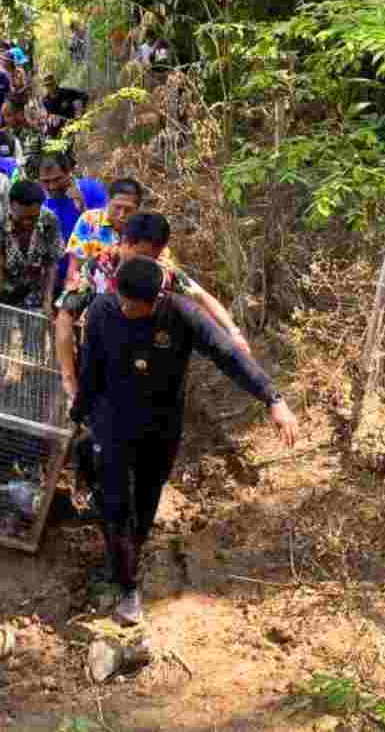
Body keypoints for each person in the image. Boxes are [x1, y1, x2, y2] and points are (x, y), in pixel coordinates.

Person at [70, 257, 299, 624]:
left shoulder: (182, 315)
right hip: (111, 421)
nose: (127, 311)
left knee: (146, 498)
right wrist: (79, 416)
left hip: (160, 426)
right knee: (114, 505)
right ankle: (127, 587)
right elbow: (91, 370)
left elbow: (228, 355)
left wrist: (273, 398)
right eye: (123, 302)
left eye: (135, 307)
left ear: (157, 299)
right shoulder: (101, 311)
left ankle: (129, 553)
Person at [57, 210, 250, 399]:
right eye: (140, 255)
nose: (147, 264)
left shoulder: (163, 271)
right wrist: (68, 378)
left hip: (146, 369)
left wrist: (233, 332)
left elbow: (201, 296)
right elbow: (65, 316)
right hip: (100, 366)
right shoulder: (97, 268)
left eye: (153, 258)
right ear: (124, 243)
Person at [0, 180, 62, 314]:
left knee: (35, 330)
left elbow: (51, 264)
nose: (27, 223)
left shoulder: (50, 221)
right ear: (11, 205)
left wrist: (47, 302)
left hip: (34, 292)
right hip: (2, 292)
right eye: (22, 217)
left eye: (33, 218)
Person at [37, 152, 107, 287]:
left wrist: (83, 208)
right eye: (45, 181)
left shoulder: (90, 190)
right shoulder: (40, 200)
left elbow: (106, 233)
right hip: (52, 276)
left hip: (86, 275)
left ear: (69, 172)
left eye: (57, 179)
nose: (52, 186)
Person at [43, 73, 90, 139]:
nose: (50, 87)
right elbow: (49, 114)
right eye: (47, 85)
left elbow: (85, 96)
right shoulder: (45, 100)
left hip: (70, 124)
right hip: (56, 129)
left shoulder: (66, 92)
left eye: (51, 84)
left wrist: (81, 111)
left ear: (55, 83)